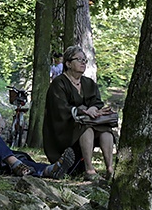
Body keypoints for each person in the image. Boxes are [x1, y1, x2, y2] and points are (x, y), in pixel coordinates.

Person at [44, 45, 115, 180]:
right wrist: (82, 111)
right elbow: (59, 109)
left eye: (84, 60)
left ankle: (110, 169)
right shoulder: (58, 83)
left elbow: (97, 102)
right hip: (65, 128)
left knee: (105, 130)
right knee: (86, 129)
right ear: (68, 64)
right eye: (79, 59)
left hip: (87, 122)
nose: (83, 63)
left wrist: (94, 109)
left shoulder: (88, 83)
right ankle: (89, 170)